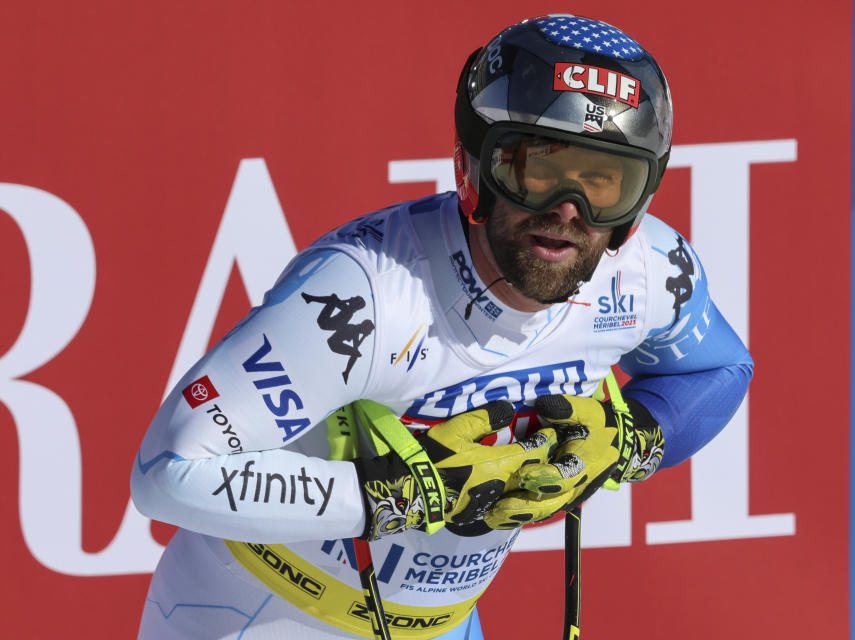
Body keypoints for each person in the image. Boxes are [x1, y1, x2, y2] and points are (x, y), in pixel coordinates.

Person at [131, 13, 752, 640]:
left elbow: (720, 369)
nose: (568, 211)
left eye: (604, 182)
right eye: (539, 170)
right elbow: (166, 472)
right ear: (476, 165)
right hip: (259, 612)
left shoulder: (648, 270)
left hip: (445, 625)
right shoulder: (365, 290)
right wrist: (394, 495)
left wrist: (630, 440)